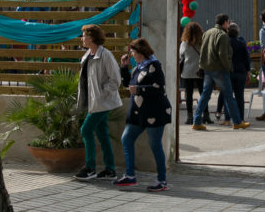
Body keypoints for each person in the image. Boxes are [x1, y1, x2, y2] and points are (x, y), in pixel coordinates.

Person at [114, 38, 172, 192]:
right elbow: (128, 84)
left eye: (133, 52)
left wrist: (139, 90)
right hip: (138, 112)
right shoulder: (139, 67)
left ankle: (162, 180)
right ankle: (130, 176)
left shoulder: (154, 65)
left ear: (140, 52)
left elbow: (159, 87)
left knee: (155, 145)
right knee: (126, 138)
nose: (131, 55)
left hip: (155, 111)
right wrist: (124, 68)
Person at [74, 24, 123, 181]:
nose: (81, 38)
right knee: (102, 134)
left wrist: (102, 93)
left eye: (84, 35)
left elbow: (115, 79)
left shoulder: (105, 55)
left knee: (86, 130)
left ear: (92, 38)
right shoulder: (87, 55)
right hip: (93, 101)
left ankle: (90, 168)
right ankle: (110, 170)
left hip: (102, 102)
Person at [192, 13, 250, 130]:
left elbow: (203, 52)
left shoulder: (207, 33)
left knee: (205, 95)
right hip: (219, 70)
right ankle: (237, 121)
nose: (228, 25)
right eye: (228, 22)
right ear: (224, 22)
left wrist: (201, 67)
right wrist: (228, 68)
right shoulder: (223, 35)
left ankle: (197, 121)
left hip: (208, 69)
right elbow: (223, 54)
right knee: (229, 96)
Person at [179, 22, 212, 124]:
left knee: (189, 95)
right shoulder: (203, 42)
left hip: (187, 72)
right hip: (200, 72)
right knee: (204, 94)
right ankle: (206, 115)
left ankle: (189, 117)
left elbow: (181, 56)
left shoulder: (184, 43)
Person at [224, 22, 251, 123]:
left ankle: (227, 119)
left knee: (228, 96)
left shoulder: (225, 44)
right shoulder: (241, 43)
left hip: (228, 72)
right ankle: (241, 118)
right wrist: (248, 72)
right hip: (240, 72)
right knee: (240, 96)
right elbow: (246, 59)